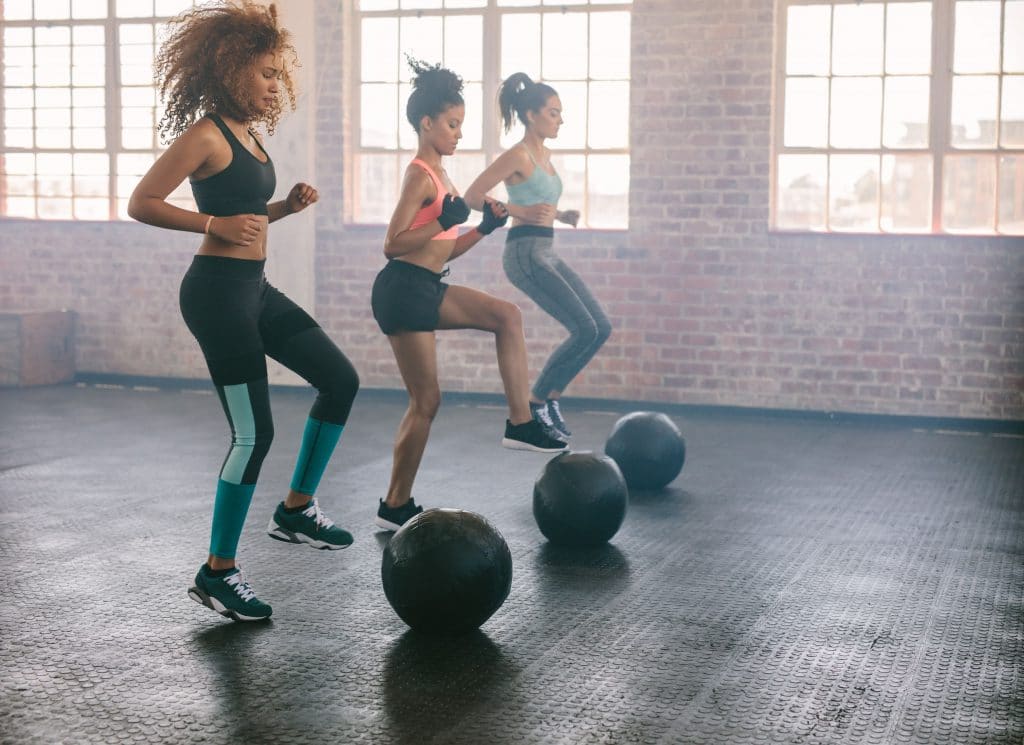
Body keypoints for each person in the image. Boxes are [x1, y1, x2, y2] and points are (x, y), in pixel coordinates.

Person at [128, 1, 359, 622]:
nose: (273, 85)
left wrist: (285, 206)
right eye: (264, 74)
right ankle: (217, 573)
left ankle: (295, 510)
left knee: (340, 379)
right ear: (231, 71)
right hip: (215, 295)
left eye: (276, 75)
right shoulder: (205, 134)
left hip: (251, 288)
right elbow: (141, 201)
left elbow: (246, 219)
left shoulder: (250, 136)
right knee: (254, 434)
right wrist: (210, 222)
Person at [371, 60, 566, 532]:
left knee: (506, 316)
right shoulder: (420, 174)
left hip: (424, 285)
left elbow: (444, 248)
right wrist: (443, 218)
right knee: (426, 402)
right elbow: (392, 244)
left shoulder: (444, 177)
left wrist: (484, 226)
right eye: (452, 125)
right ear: (427, 124)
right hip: (402, 290)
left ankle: (520, 422)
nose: (459, 134)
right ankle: (395, 503)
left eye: (461, 125)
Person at [465, 73, 612, 440]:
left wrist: (561, 215)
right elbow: (472, 195)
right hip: (524, 253)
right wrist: (519, 212)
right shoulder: (518, 154)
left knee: (600, 328)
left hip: (546, 249)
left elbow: (539, 202)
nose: (560, 119)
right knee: (583, 329)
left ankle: (550, 397)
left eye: (560, 113)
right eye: (553, 112)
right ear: (531, 115)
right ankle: (535, 402)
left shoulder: (544, 156)